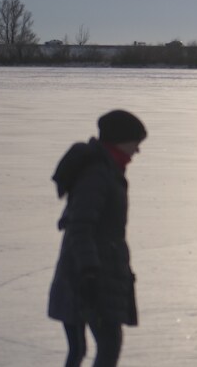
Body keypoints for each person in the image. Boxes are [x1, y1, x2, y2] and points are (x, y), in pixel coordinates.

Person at [48, 110, 146, 367]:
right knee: (106, 345)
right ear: (120, 140)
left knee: (81, 349)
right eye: (136, 142)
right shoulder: (98, 174)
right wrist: (89, 272)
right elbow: (81, 226)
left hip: (89, 272)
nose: (137, 150)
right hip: (89, 276)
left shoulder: (106, 171)